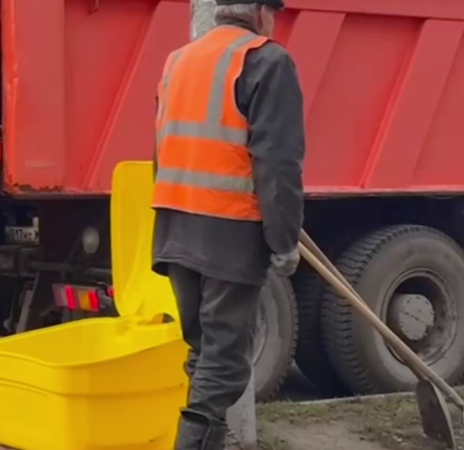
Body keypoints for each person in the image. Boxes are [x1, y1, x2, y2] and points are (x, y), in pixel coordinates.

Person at [150, 0, 305, 449]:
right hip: (229, 231)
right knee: (226, 362)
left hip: (175, 225)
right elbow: (278, 162)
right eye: (274, 11)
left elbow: (163, 147)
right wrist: (283, 239)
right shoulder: (266, 59)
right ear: (259, 11)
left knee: (204, 354)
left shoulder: (179, 61)